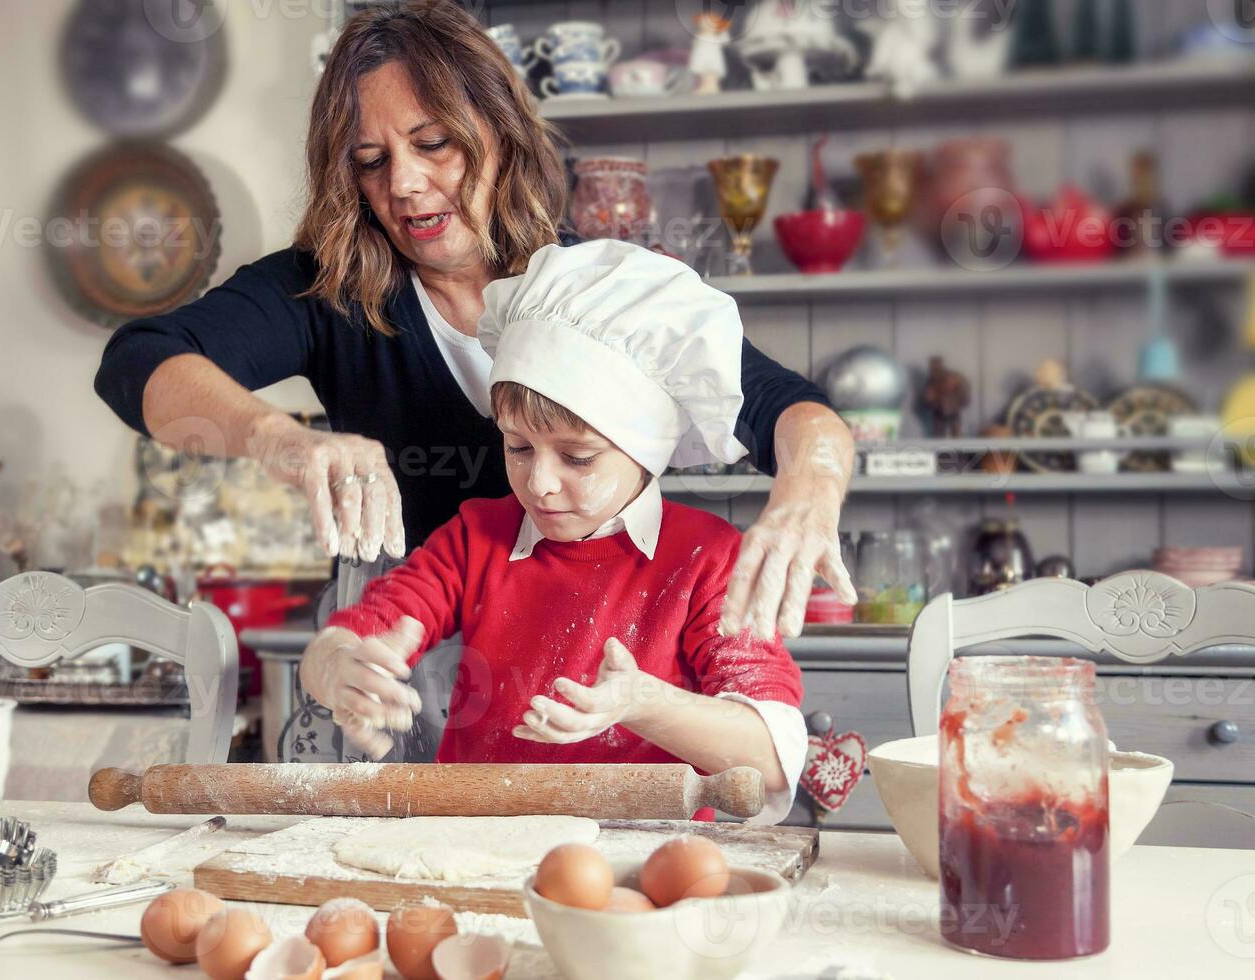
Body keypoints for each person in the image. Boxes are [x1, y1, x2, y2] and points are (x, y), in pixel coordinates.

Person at [93, 0, 856, 648]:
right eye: (369, 159)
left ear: (498, 131)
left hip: (591, 663)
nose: (405, 184)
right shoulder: (328, 288)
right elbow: (138, 361)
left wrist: (807, 493)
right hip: (397, 666)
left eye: (433, 145)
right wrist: (280, 441)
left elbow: (788, 407)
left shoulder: (605, 292)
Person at [298, 241, 806, 822]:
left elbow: (770, 758)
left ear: (645, 451)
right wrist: (342, 666)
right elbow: (352, 636)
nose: (539, 483)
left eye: (578, 458)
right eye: (517, 447)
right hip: (475, 849)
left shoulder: (708, 557)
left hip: (641, 872)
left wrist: (640, 702)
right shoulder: (477, 537)